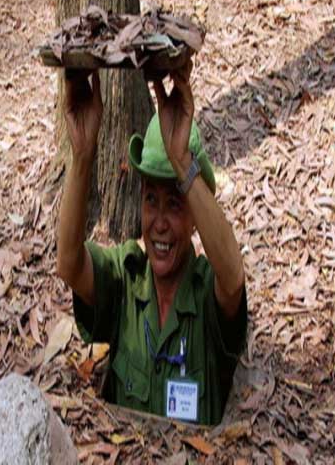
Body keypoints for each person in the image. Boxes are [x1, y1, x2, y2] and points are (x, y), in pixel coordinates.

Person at [56, 60, 247, 425]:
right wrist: (81, 156)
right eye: (150, 200)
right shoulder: (125, 278)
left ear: (194, 216)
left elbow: (233, 276)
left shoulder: (207, 289)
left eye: (175, 205)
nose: (159, 223)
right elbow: (68, 263)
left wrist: (183, 165)